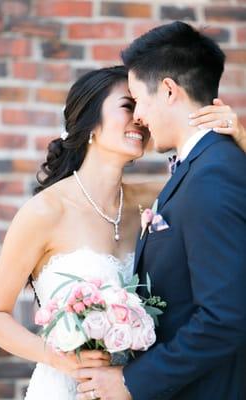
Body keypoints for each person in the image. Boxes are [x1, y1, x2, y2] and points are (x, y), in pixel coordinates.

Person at [0, 60, 245, 400]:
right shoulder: (45, 212)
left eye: (141, 107)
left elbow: (222, 183)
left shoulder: (158, 198)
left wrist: (239, 139)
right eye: (127, 106)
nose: (140, 118)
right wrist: (59, 357)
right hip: (69, 387)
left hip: (135, 387)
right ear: (91, 122)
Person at [73, 22, 246, 400]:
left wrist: (131, 382)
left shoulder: (213, 174)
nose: (138, 117)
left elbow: (224, 318)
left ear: (168, 90)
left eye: (138, 100)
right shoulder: (198, 167)